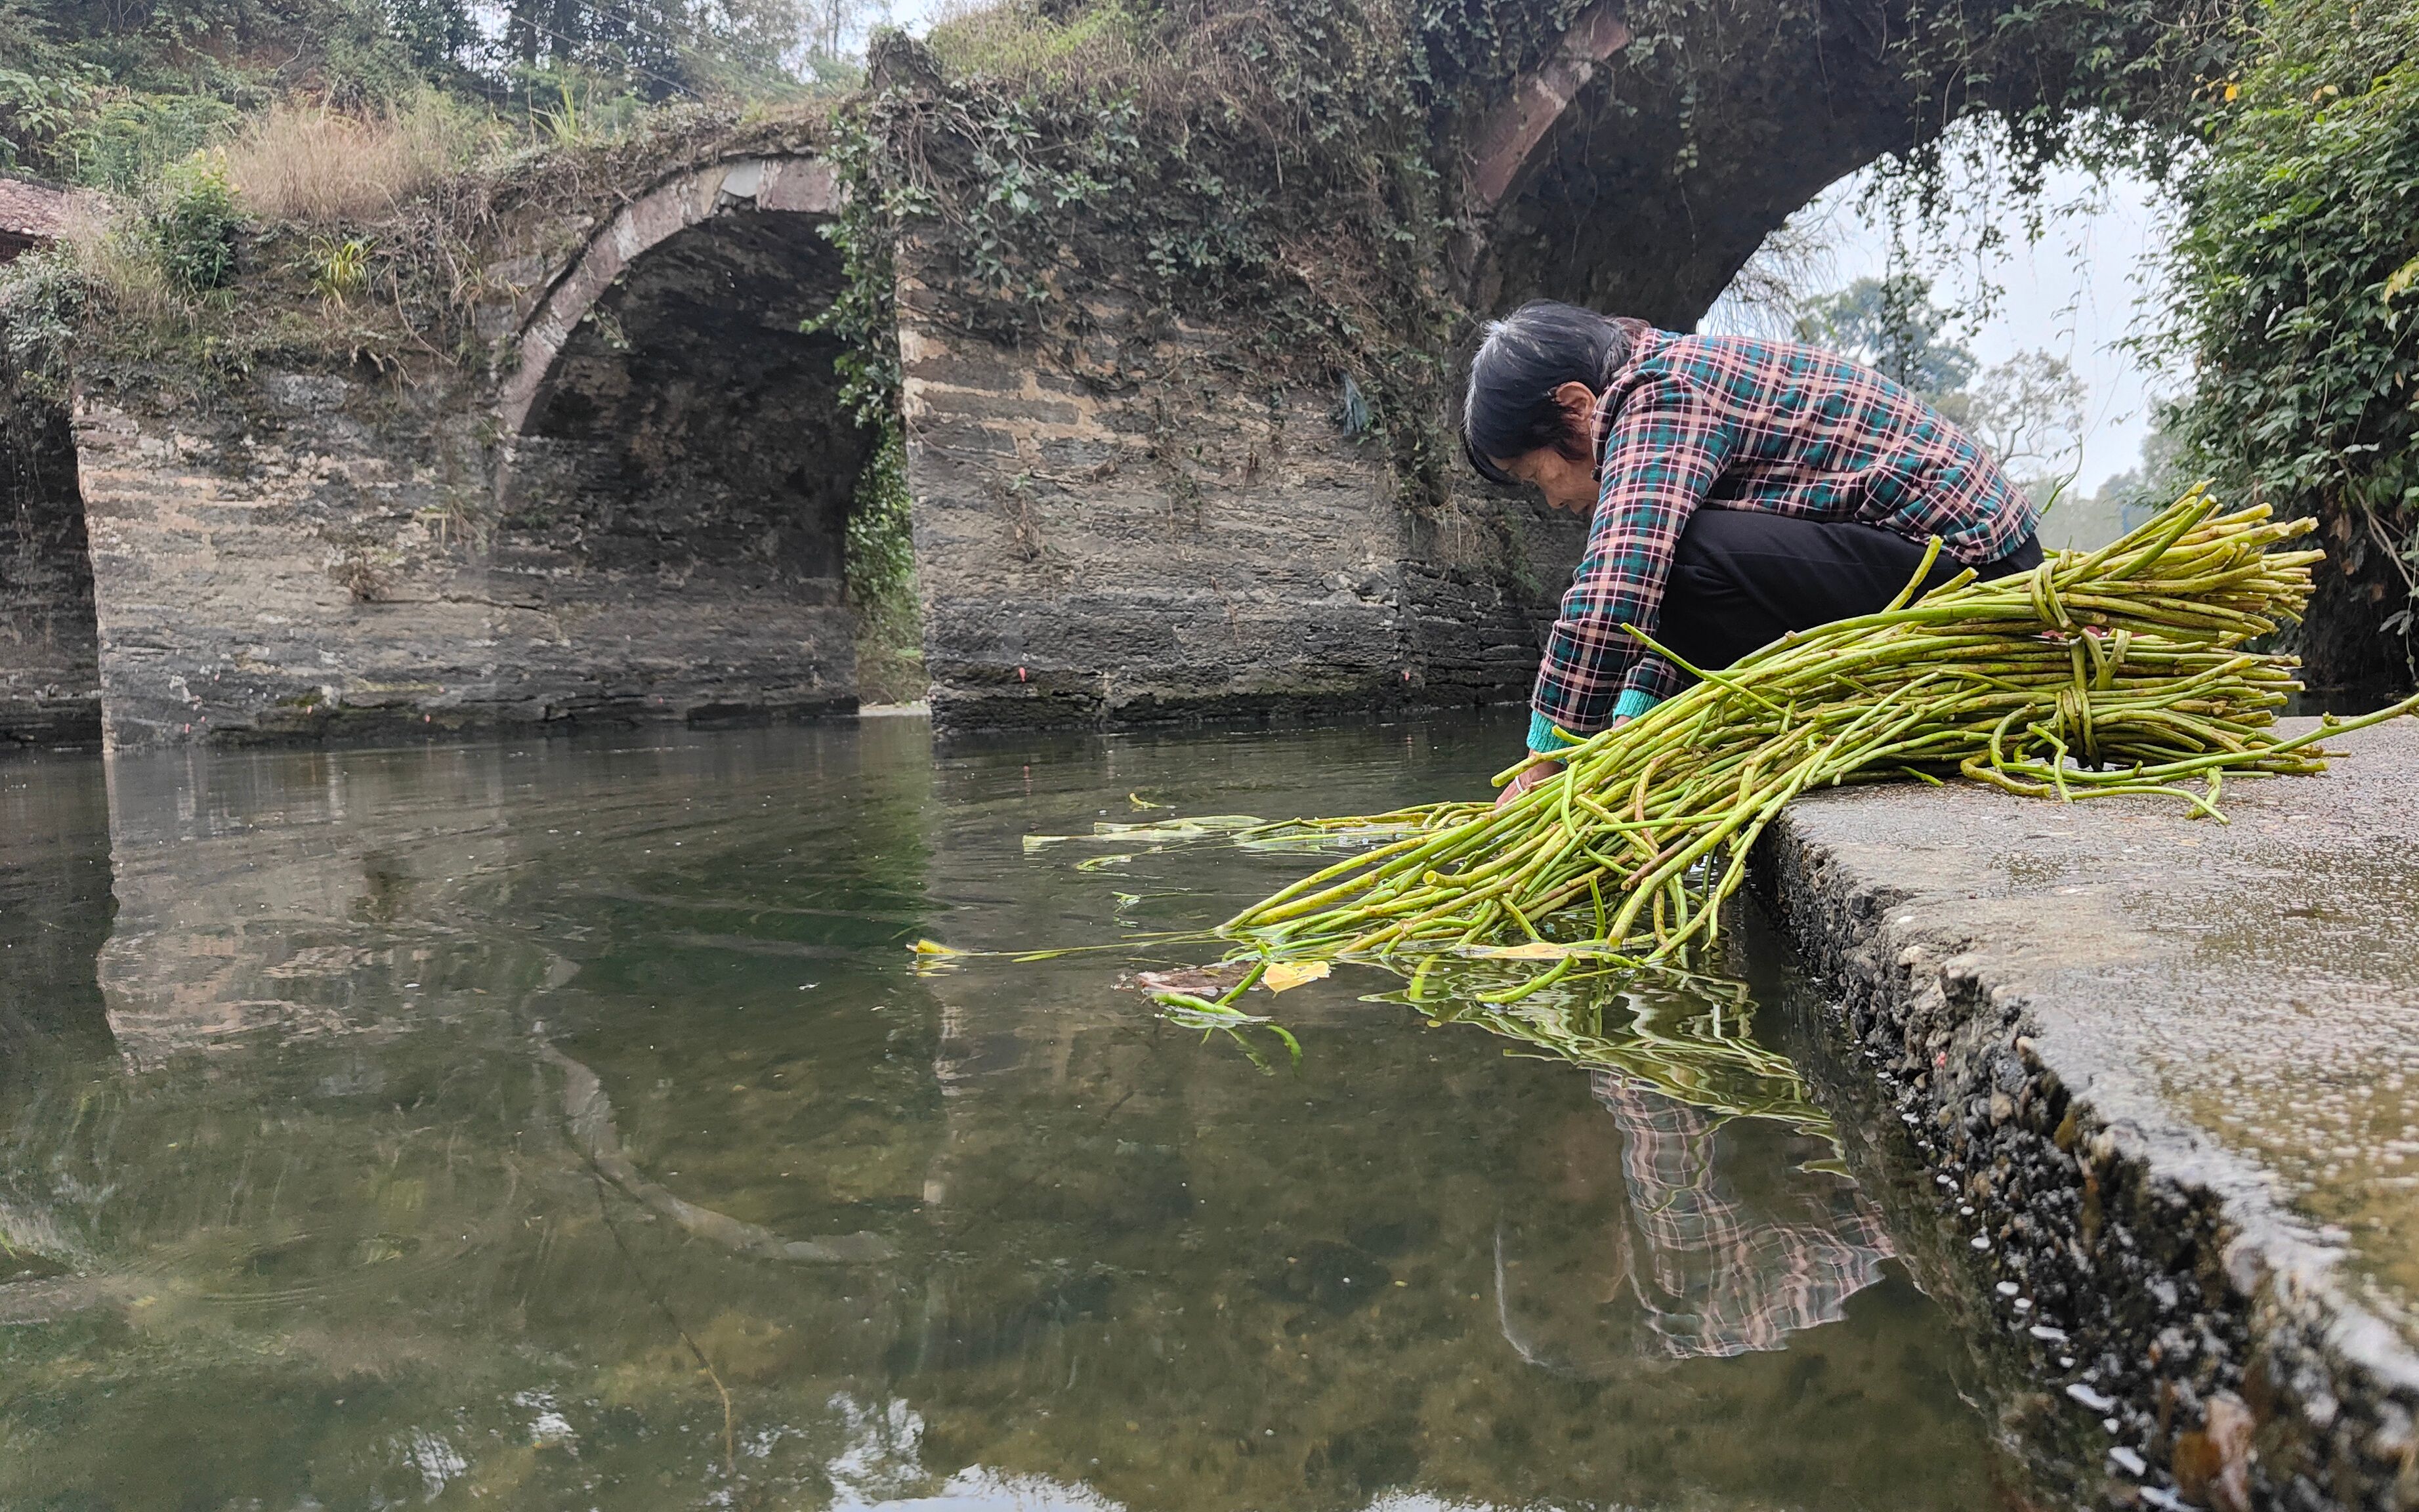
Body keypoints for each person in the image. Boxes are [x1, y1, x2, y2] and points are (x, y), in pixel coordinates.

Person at [1463, 301, 2044, 805]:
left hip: (1970, 566)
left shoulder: (1660, 392)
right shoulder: (1667, 379)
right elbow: (1667, 611)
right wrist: (1626, 734)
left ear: (1576, 405)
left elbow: (1620, 588)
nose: (1555, 499)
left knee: (1673, 554)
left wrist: (1545, 762)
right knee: (1674, 552)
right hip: (1939, 560)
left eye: (1538, 475)